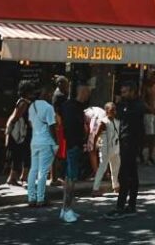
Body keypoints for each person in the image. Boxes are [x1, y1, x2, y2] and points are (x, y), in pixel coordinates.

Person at [113, 83, 145, 217]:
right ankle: (130, 205)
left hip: (131, 142)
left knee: (125, 174)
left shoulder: (137, 105)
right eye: (122, 92)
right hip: (125, 141)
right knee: (130, 174)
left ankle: (123, 205)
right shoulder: (126, 105)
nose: (123, 94)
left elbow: (125, 116)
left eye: (125, 92)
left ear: (132, 91)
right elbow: (119, 116)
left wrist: (121, 106)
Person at [59, 83, 89, 223]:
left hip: (73, 144)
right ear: (81, 91)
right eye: (86, 91)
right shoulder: (72, 107)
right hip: (73, 145)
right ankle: (66, 209)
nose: (88, 94)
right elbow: (71, 126)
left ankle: (66, 208)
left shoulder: (71, 106)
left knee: (70, 178)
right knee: (71, 179)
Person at [27, 85, 57, 208]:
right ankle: (40, 198)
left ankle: (31, 197)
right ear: (46, 95)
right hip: (46, 141)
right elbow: (51, 126)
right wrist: (56, 141)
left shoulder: (31, 106)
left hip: (35, 140)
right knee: (43, 171)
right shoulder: (49, 108)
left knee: (33, 169)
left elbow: (30, 123)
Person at [92, 102, 121, 195]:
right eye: (111, 110)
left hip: (115, 148)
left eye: (114, 110)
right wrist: (94, 145)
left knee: (116, 167)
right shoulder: (103, 122)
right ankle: (95, 189)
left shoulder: (117, 121)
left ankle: (116, 186)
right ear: (107, 111)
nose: (114, 112)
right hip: (105, 148)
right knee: (102, 168)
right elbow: (96, 135)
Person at [4, 90, 32, 186]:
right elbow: (17, 116)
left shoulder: (20, 101)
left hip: (21, 132)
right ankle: (17, 177)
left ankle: (17, 177)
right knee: (21, 154)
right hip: (22, 132)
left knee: (19, 154)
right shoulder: (24, 103)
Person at [49, 75, 69, 184]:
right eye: (66, 84)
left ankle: (55, 177)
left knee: (58, 151)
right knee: (57, 151)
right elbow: (57, 113)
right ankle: (54, 178)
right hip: (59, 126)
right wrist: (60, 125)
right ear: (61, 84)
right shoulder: (60, 95)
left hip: (58, 125)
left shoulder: (58, 94)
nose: (68, 86)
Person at [141, 71, 155, 166]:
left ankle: (150, 155)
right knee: (148, 135)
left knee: (154, 135)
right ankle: (143, 154)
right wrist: (149, 108)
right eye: (154, 77)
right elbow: (142, 100)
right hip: (148, 113)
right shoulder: (146, 88)